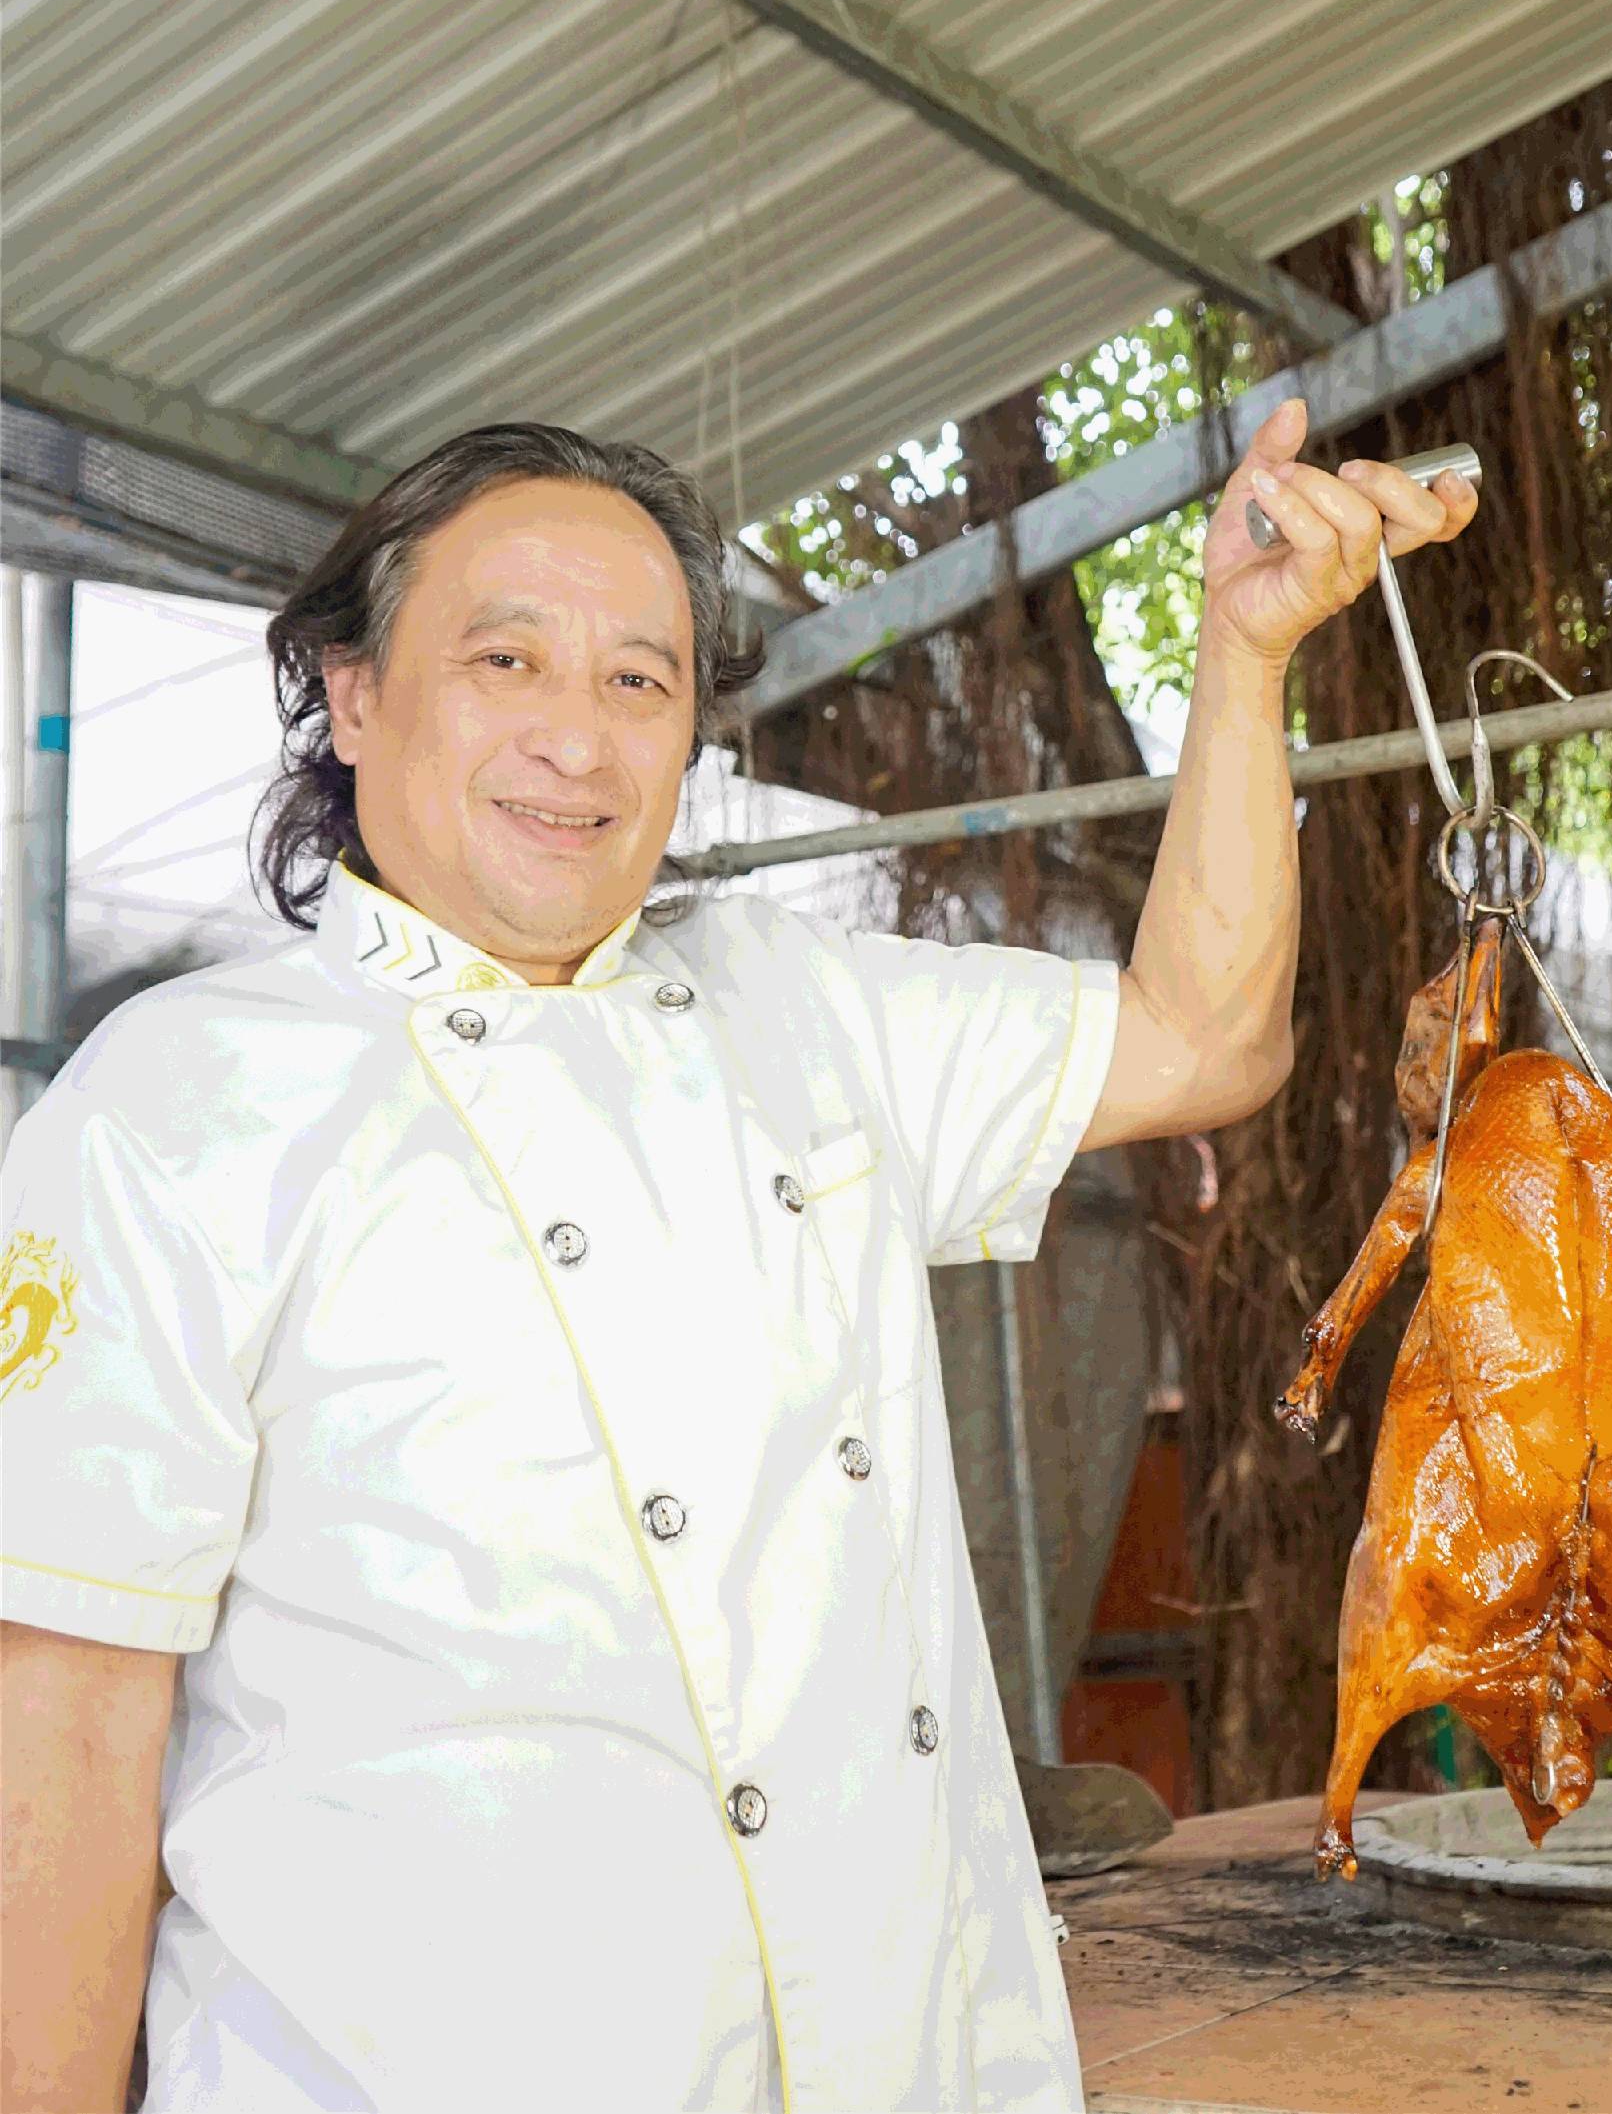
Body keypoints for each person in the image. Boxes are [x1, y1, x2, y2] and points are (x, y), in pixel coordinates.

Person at [0, 400, 1474, 2113]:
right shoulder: (170, 1106)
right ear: (349, 692)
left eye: (642, 681)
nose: (580, 740)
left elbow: (1203, 1040)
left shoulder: (806, 1002)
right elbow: (67, 1733)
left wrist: (1245, 648)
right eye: (507, 659)